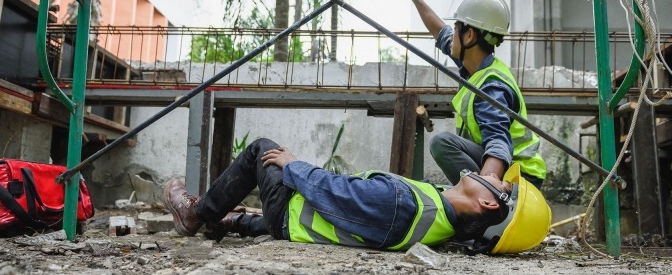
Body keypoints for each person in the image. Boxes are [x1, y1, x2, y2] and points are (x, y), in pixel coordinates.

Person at [164, 138, 550, 254]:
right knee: (268, 208)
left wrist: (293, 164)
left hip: (291, 216)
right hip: (307, 225)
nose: (493, 175)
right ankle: (232, 220)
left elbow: (335, 193)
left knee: (261, 151)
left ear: (488, 203)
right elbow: (353, 216)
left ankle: (197, 214)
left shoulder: (407, 205)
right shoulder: (442, 222)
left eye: (502, 186)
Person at [412, 0, 547, 188]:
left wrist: (485, 188)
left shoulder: (492, 86)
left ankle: (480, 196)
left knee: (442, 143)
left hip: (518, 177)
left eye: (456, 27)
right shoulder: (474, 65)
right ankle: (478, 191)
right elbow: (441, 33)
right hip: (508, 169)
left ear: (469, 36)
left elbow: (498, 142)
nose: (452, 34)